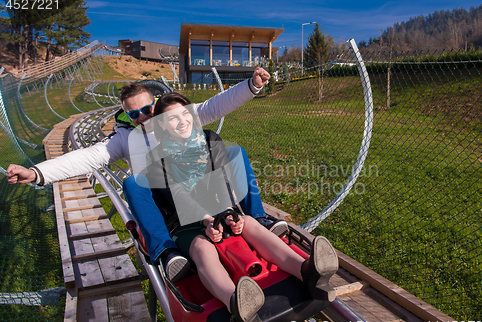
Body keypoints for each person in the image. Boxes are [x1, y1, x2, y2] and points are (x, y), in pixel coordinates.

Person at [6, 68, 287, 280]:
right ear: (126, 117)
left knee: (235, 153)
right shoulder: (125, 139)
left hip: (199, 188)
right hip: (168, 199)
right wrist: (36, 172)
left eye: (146, 109)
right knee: (133, 183)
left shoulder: (176, 119)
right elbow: (88, 157)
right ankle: (165, 250)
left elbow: (213, 105)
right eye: (133, 114)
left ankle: (258, 215)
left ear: (155, 105)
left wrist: (251, 86)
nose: (142, 117)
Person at [146, 92, 339, 322]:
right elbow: (178, 197)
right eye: (172, 118)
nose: (182, 121)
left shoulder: (209, 139)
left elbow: (222, 184)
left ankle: (306, 270)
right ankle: (235, 302)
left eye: (185, 113)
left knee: (248, 222)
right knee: (202, 246)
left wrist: (229, 214)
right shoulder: (156, 158)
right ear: (162, 125)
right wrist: (207, 221)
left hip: (218, 212)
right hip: (185, 223)